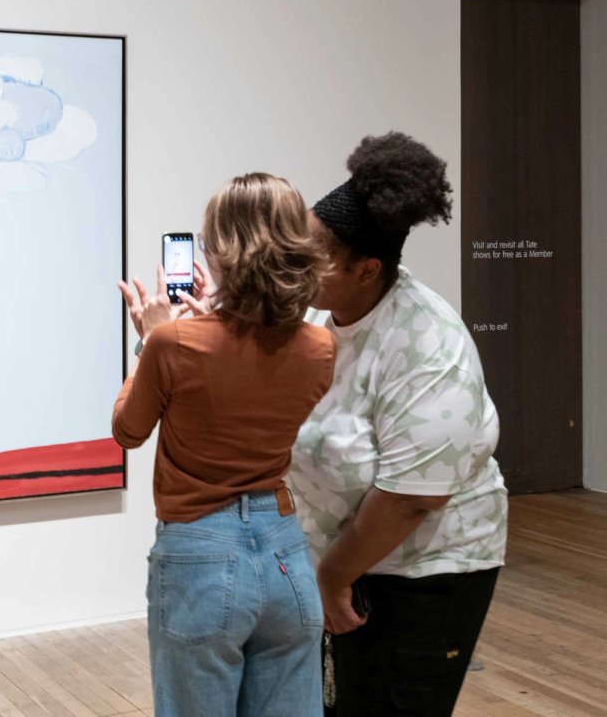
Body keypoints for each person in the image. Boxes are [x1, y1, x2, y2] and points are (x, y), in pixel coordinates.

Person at [286, 132, 508, 716]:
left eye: (317, 254)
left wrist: (333, 578)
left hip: (425, 572)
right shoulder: (318, 310)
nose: (298, 264)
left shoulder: (427, 343)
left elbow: (411, 498)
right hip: (345, 558)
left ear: (367, 269)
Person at [113, 173, 336, 717]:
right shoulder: (320, 346)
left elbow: (128, 430)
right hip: (286, 554)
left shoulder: (171, 343)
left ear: (219, 254)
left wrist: (150, 337)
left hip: (199, 558)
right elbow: (248, 358)